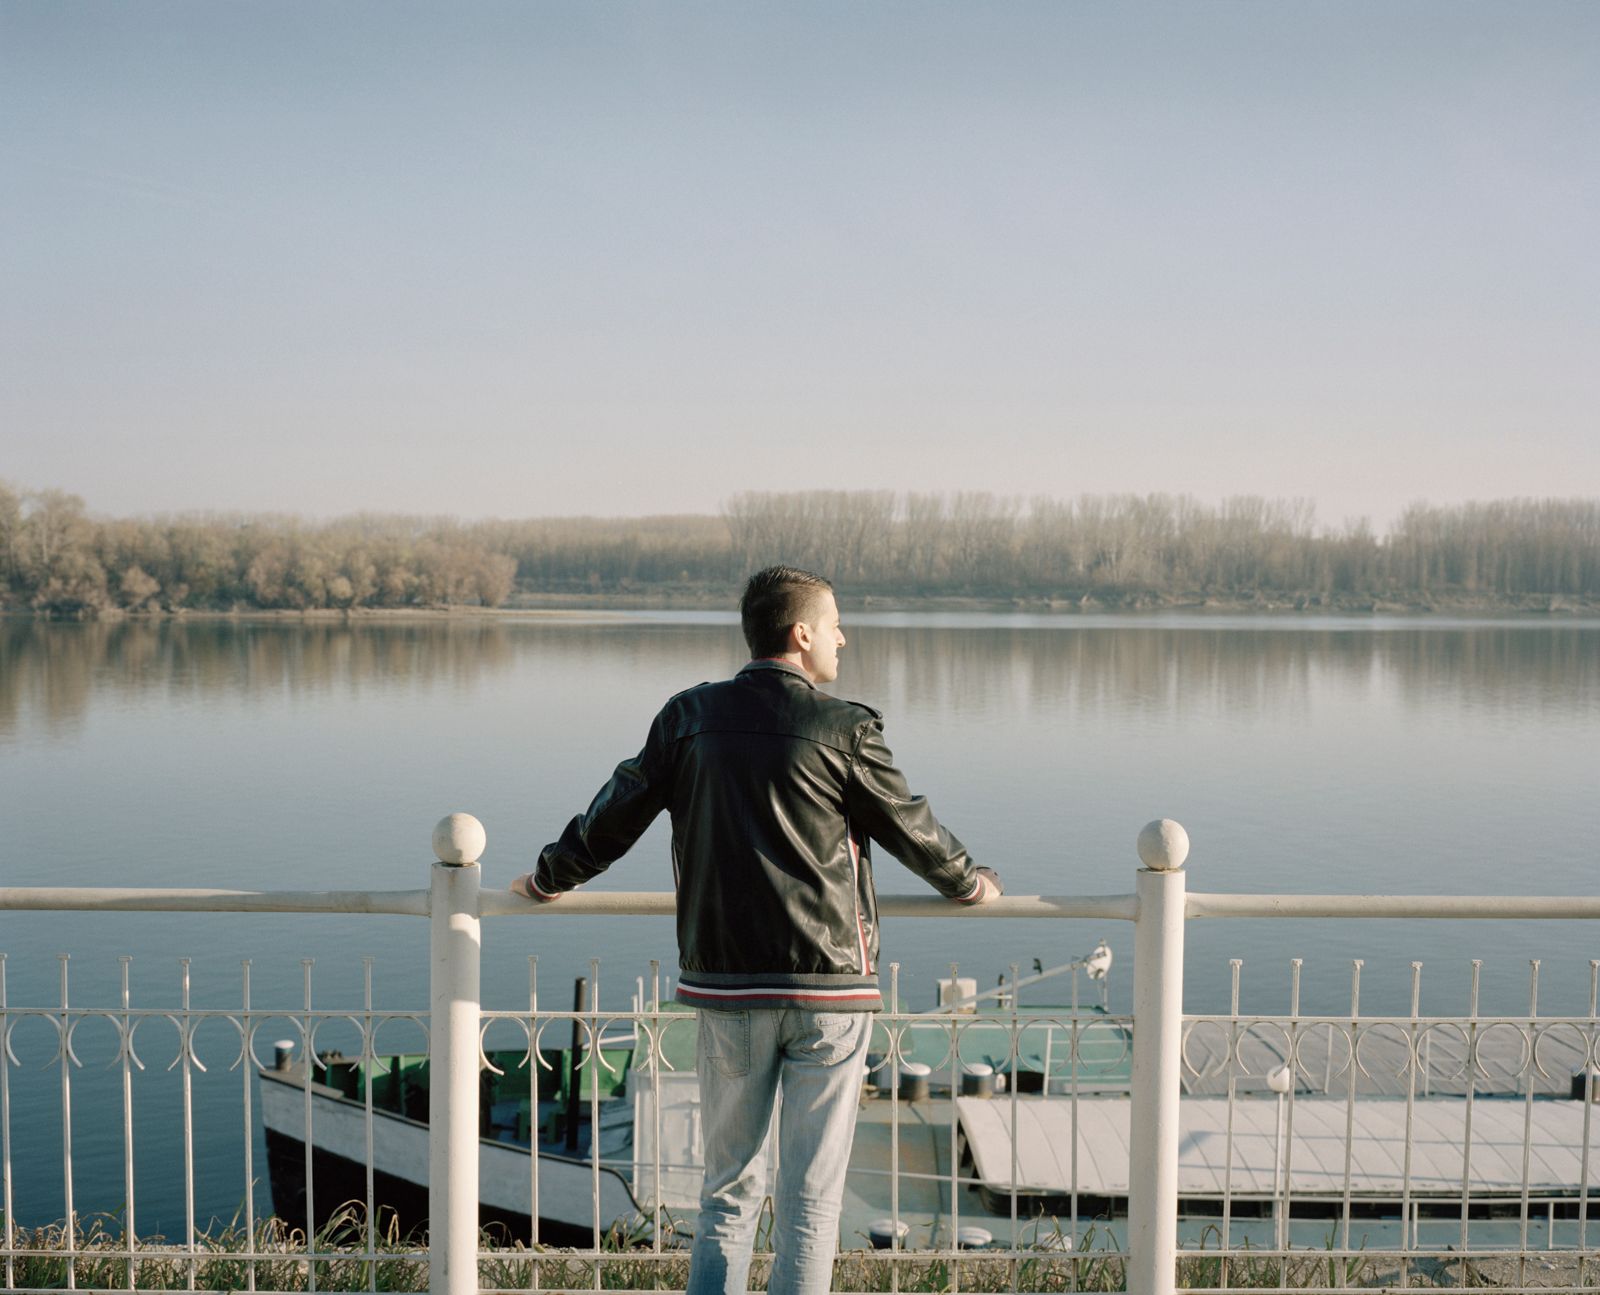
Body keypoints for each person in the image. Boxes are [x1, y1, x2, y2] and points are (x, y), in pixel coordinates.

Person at [514, 565, 1000, 1295]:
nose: (844, 637)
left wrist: (550, 875)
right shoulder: (844, 728)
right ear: (801, 633)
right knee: (811, 1199)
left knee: (727, 1192)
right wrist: (970, 881)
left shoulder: (689, 717)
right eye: (835, 624)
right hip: (830, 992)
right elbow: (914, 830)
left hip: (728, 985)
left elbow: (614, 814)